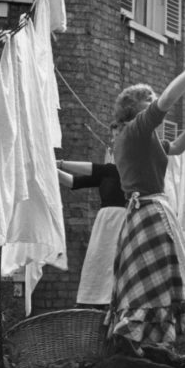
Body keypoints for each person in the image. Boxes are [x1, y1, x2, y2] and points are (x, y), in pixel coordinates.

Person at [108, 48, 185, 353]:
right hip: (149, 213)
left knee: (151, 282)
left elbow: (175, 147)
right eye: (147, 103)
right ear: (134, 111)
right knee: (157, 282)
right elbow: (166, 102)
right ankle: (149, 345)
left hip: (143, 214)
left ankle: (148, 347)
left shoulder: (141, 139)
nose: (154, 107)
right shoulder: (135, 131)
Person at [56, 127, 124, 310]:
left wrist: (59, 163)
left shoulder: (116, 170)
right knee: (101, 264)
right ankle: (99, 305)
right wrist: (48, 168)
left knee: (114, 265)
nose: (113, 144)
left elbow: (94, 169)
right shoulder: (108, 172)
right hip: (106, 227)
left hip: (119, 224)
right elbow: (73, 182)